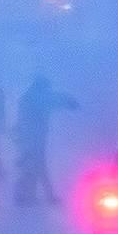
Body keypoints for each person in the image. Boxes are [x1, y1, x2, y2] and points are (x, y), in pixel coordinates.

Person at [12, 74, 78, 206]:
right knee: (35, 166)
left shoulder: (27, 97)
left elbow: (21, 119)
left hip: (29, 138)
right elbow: (55, 99)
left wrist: (18, 133)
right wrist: (69, 102)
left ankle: (26, 195)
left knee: (32, 165)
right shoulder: (38, 97)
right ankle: (27, 195)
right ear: (42, 86)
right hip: (35, 139)